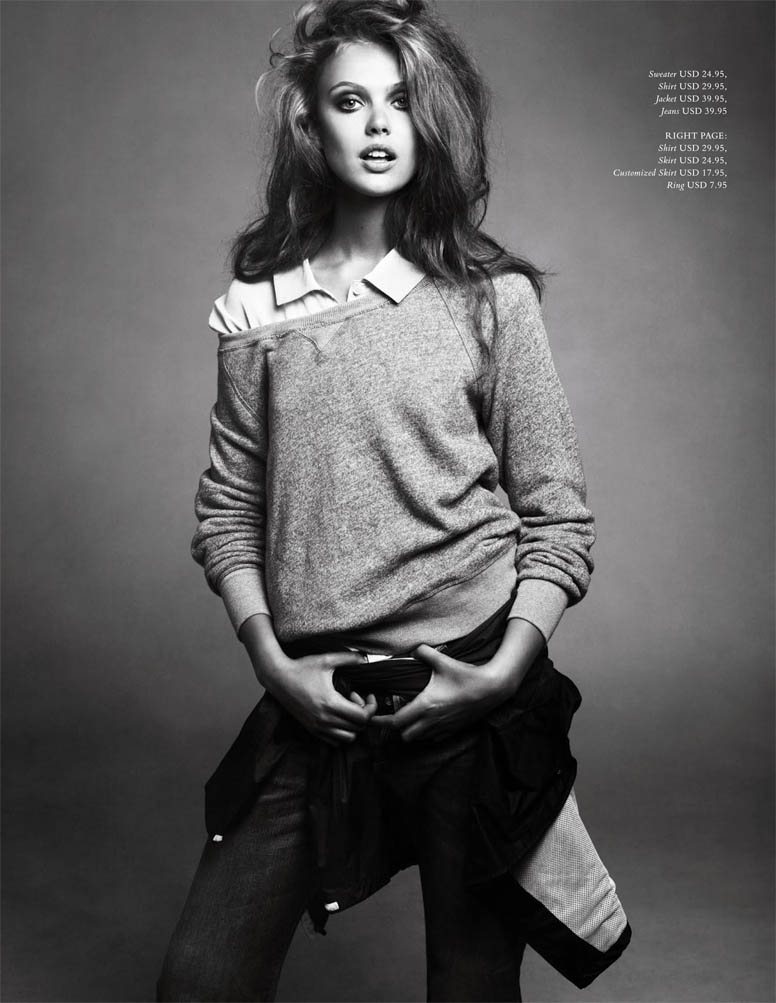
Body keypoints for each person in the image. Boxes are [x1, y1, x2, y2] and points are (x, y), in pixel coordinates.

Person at [157, 1, 630, 1000]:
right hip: (316, 700)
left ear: (431, 120)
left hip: (469, 693)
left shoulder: (490, 297)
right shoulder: (257, 308)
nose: (378, 125)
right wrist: (272, 660)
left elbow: (558, 519)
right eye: (350, 101)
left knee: (470, 985)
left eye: (402, 101)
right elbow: (228, 509)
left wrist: (501, 673)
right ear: (308, 123)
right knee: (201, 979)